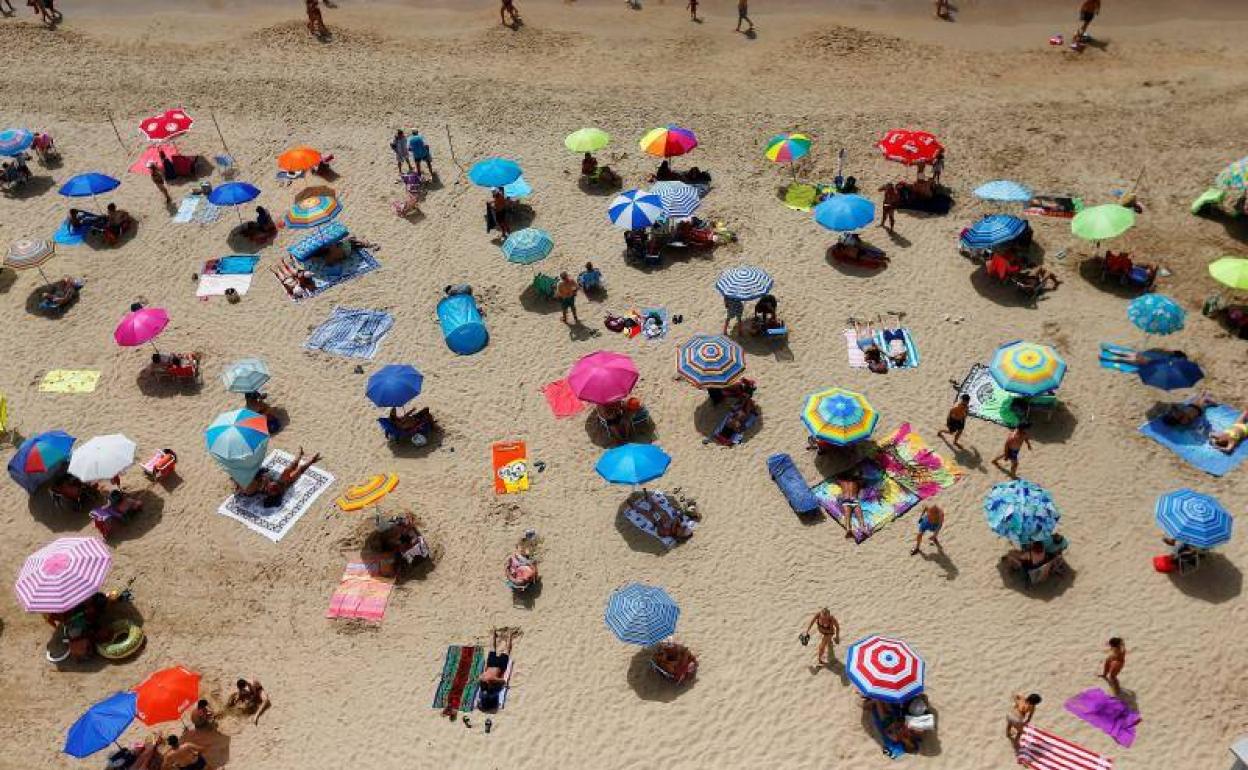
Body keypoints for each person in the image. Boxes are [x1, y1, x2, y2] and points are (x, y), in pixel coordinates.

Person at [478, 628, 518, 710]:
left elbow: (481, 677)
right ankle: (508, 634)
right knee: (505, 650)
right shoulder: (493, 688)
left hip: (493, 665)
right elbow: (502, 681)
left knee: (495, 648)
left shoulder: (485, 687)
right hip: (499, 666)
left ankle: (496, 633)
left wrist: (489, 679)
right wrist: (492, 679)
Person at [839, 472, 865, 539]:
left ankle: (848, 529)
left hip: (846, 499)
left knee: (847, 515)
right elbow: (862, 482)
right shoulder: (856, 481)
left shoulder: (842, 481)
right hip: (854, 499)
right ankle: (862, 527)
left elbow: (835, 479)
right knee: (859, 515)